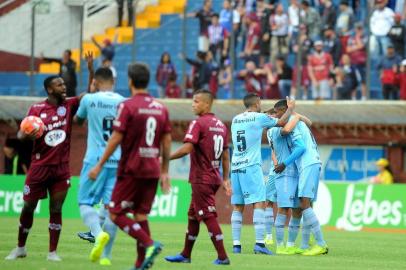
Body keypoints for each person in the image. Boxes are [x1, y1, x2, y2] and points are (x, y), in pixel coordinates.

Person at [88, 63, 171, 270]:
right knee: (141, 215)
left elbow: (116, 138)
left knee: (115, 213)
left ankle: (150, 244)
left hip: (131, 169)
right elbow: (167, 141)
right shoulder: (161, 107)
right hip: (152, 169)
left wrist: (99, 164)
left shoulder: (128, 105)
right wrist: (165, 171)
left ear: (130, 81)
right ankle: (139, 264)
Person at [5, 76, 81, 261]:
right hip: (39, 167)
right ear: (49, 89)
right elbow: (22, 133)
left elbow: (88, 95)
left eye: (64, 84)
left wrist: (91, 72)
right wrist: (27, 134)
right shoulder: (36, 109)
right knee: (28, 207)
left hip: (61, 169)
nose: (64, 87)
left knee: (56, 209)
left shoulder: (69, 105)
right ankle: (20, 248)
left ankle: (52, 252)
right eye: (59, 84)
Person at [165, 90, 231, 265]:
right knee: (193, 215)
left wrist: (165, 157)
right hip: (214, 177)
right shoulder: (221, 125)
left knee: (208, 216)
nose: (193, 104)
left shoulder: (198, 123)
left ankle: (223, 257)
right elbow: (225, 155)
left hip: (202, 177)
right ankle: (185, 255)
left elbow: (187, 148)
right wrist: (225, 178)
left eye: (196, 101)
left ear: (207, 104)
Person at [230, 93, 294, 255]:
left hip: (236, 167)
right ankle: (259, 243)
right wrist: (290, 108)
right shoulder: (258, 118)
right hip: (251, 166)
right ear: (257, 103)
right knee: (259, 202)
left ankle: (236, 246)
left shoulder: (236, 119)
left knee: (238, 206)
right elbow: (281, 122)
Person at [74, 67, 124, 266]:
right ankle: (106, 257)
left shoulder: (88, 99)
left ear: (95, 82)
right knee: (111, 208)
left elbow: (78, 121)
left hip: (95, 160)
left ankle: (96, 233)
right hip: (117, 160)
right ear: (113, 80)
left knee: (84, 201)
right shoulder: (123, 102)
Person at [273, 100, 328, 256]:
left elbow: (301, 147)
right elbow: (308, 122)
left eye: (277, 112)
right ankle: (304, 246)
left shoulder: (291, 121)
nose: (277, 116)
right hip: (312, 163)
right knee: (304, 205)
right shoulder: (296, 119)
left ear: (284, 110)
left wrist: (284, 163)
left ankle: (321, 244)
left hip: (308, 164)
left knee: (304, 204)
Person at [268, 109, 306, 255]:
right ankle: (279, 246)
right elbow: (300, 147)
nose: (275, 116)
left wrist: (295, 115)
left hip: (297, 173)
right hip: (285, 174)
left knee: (297, 210)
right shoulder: (274, 129)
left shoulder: (288, 127)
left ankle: (290, 245)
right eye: (275, 113)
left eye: (277, 113)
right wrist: (295, 115)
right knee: (283, 208)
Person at [346, 23, 368, 100]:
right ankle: (353, 97)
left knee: (363, 80)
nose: (359, 30)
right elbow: (348, 49)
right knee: (353, 80)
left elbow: (361, 46)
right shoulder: (351, 39)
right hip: (353, 62)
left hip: (361, 62)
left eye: (360, 28)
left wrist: (358, 37)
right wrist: (356, 47)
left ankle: (363, 96)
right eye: (357, 29)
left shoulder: (365, 38)